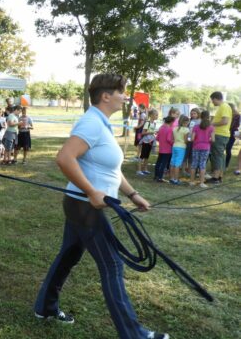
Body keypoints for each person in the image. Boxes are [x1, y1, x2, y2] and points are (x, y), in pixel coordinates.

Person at [33, 74, 168, 339]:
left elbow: (111, 169)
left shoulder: (102, 124)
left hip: (79, 204)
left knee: (69, 255)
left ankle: (45, 308)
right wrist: (91, 191)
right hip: (84, 206)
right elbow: (65, 158)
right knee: (113, 265)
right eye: (121, 92)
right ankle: (134, 334)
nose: (125, 97)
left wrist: (133, 194)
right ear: (106, 96)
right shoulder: (92, 122)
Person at [207, 91, 232, 184]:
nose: (212, 102)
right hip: (221, 134)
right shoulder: (223, 107)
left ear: (216, 98)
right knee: (220, 156)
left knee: (216, 156)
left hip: (220, 135)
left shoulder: (224, 107)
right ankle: (219, 176)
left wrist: (211, 123)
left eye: (212, 100)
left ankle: (215, 178)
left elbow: (225, 121)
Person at [190, 110, 215, 188]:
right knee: (202, 165)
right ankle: (201, 182)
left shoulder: (196, 126)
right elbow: (213, 140)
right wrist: (208, 140)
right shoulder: (211, 127)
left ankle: (191, 181)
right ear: (209, 117)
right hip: (205, 147)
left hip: (196, 147)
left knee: (194, 164)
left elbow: (192, 138)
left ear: (200, 116)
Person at [136, 109, 158, 176]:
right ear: (151, 115)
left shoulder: (154, 123)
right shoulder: (147, 123)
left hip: (150, 141)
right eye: (156, 115)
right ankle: (139, 170)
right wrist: (151, 132)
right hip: (145, 141)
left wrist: (155, 133)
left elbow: (152, 132)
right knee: (142, 156)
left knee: (147, 156)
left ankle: (145, 169)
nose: (157, 116)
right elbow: (143, 132)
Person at [169, 115, 190, 185]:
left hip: (174, 146)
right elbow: (186, 140)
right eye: (187, 123)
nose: (188, 124)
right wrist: (189, 141)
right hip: (181, 147)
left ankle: (171, 178)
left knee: (172, 162)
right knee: (177, 164)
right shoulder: (186, 130)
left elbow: (172, 138)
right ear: (185, 122)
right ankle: (176, 179)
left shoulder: (174, 128)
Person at [153, 116, 174, 182]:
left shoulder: (161, 128)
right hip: (167, 149)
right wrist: (173, 142)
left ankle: (156, 176)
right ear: (171, 122)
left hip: (161, 148)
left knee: (159, 162)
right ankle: (160, 177)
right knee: (164, 164)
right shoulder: (169, 129)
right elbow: (168, 139)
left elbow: (157, 138)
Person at [224, 103, 239, 169]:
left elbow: (237, 126)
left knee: (228, 148)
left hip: (232, 134)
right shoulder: (227, 115)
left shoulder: (238, 116)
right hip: (224, 133)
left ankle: (226, 164)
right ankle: (221, 164)